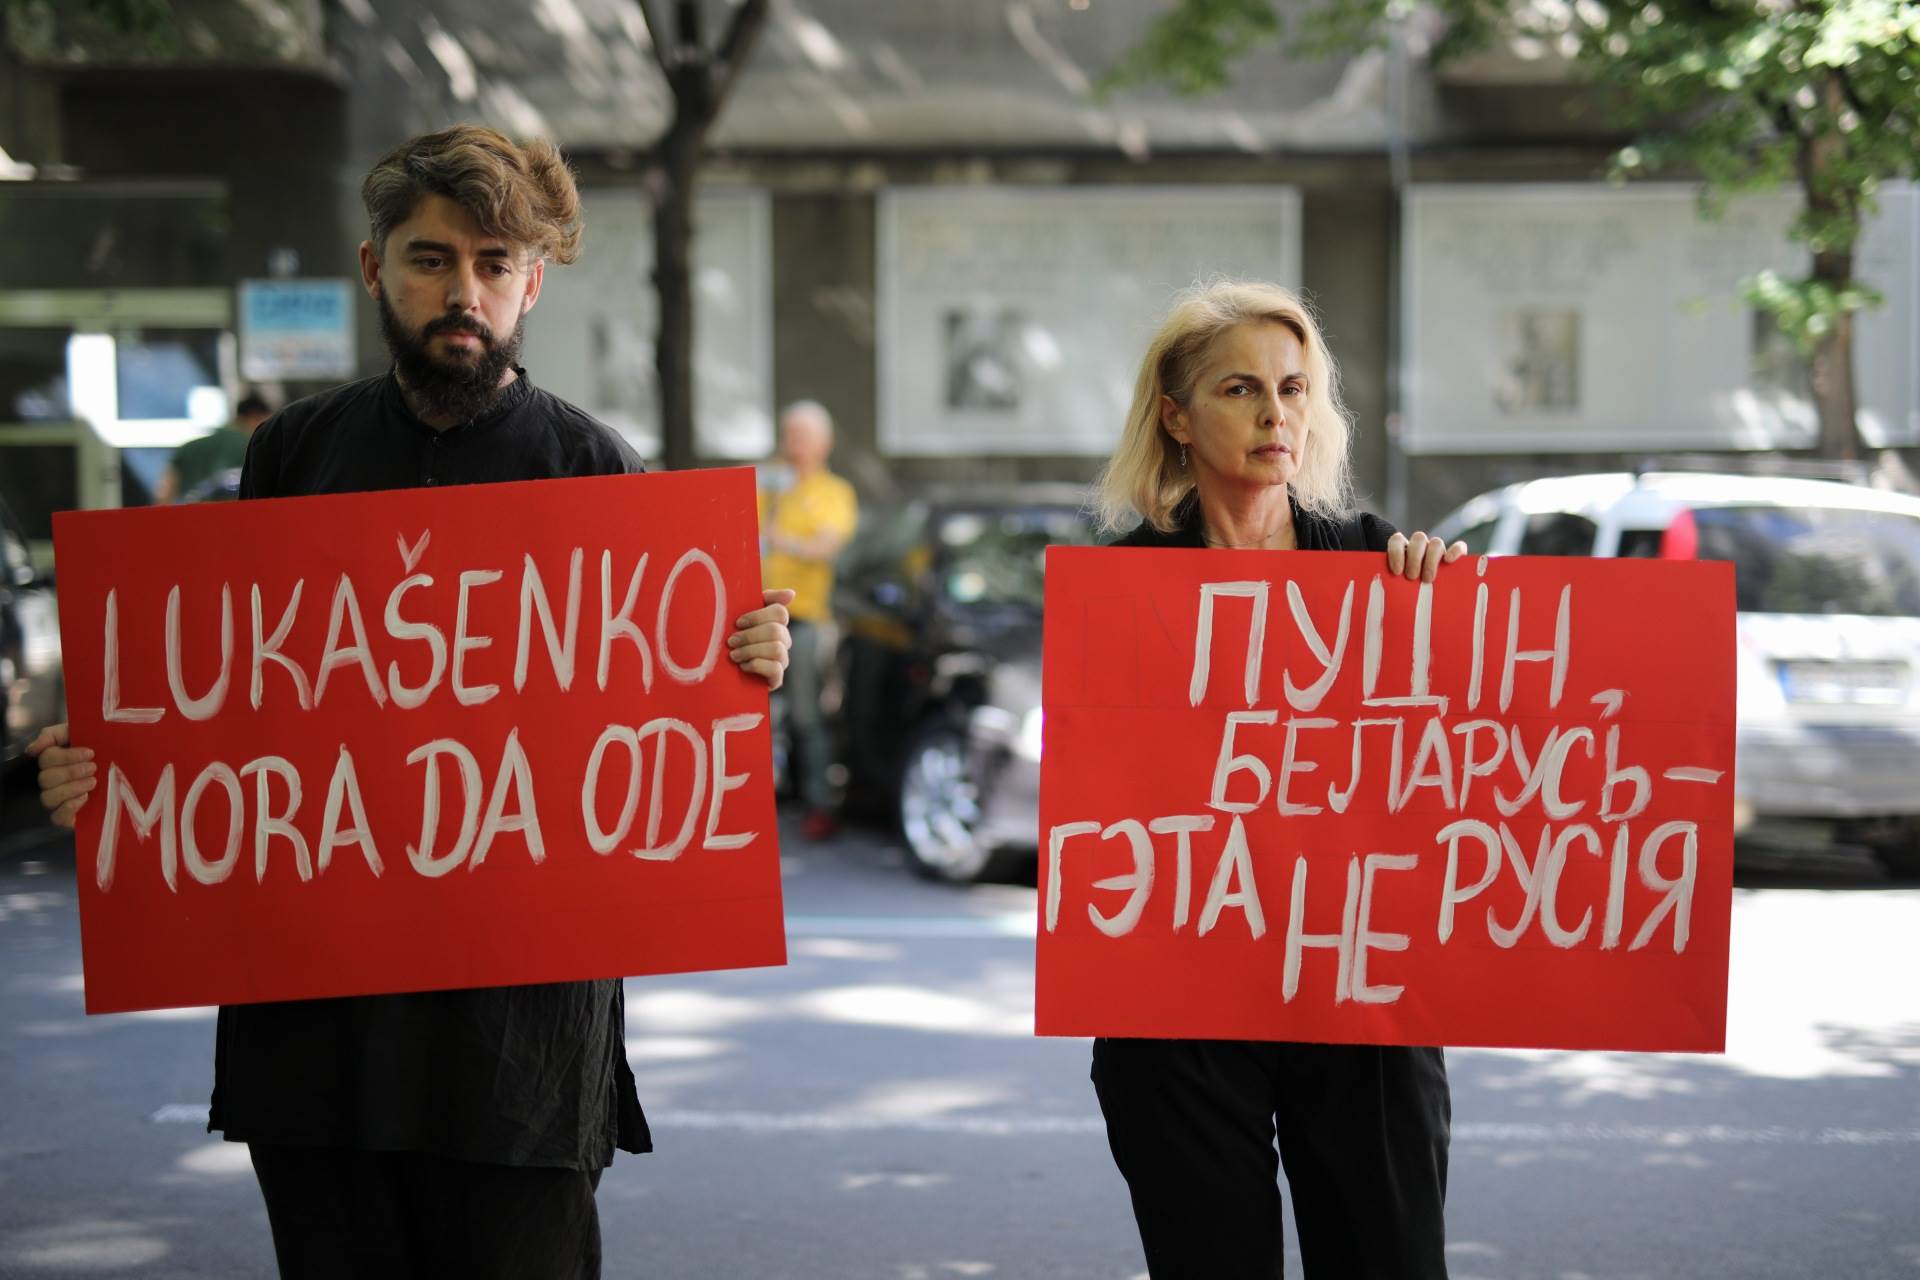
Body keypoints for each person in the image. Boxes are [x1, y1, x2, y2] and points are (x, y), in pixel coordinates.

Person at [27, 124, 794, 1280]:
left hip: (521, 1043)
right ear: (376, 265)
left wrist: (747, 664)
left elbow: (659, 752)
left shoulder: (599, 473)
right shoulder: (294, 451)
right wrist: (101, 765)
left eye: (493, 262)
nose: (463, 290)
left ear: (533, 281)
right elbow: (230, 704)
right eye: (432, 258)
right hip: (320, 1032)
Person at [1088, 279, 1467, 1280]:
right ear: (1176, 415)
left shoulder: (1380, 568)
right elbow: (1098, 803)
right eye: (1241, 389)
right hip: (1180, 1015)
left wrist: (1450, 615)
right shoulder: (1120, 589)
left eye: (1295, 388)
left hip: (1362, 1003)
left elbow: (1463, 768)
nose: (1276, 414)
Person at [759, 399, 858, 840]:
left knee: (806, 716)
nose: (793, 443)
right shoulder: (768, 483)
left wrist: (780, 540)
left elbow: (826, 546)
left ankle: (818, 802)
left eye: (803, 435)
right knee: (758, 718)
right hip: (758, 614)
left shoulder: (834, 492)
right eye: (789, 433)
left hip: (806, 617)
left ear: (825, 443)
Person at [155, 389, 272, 503]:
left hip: (192, 518)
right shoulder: (255, 449)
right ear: (255, 417)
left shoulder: (189, 448)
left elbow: (163, 494)